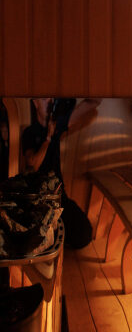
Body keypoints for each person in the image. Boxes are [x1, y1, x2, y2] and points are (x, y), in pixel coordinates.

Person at [22, 97, 102, 249]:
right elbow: (33, 163)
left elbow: (94, 102)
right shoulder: (30, 132)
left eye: (51, 98)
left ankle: (57, 238)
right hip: (39, 200)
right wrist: (48, 139)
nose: (49, 101)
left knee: (84, 234)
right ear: (35, 102)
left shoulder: (57, 125)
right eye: (44, 99)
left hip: (59, 197)